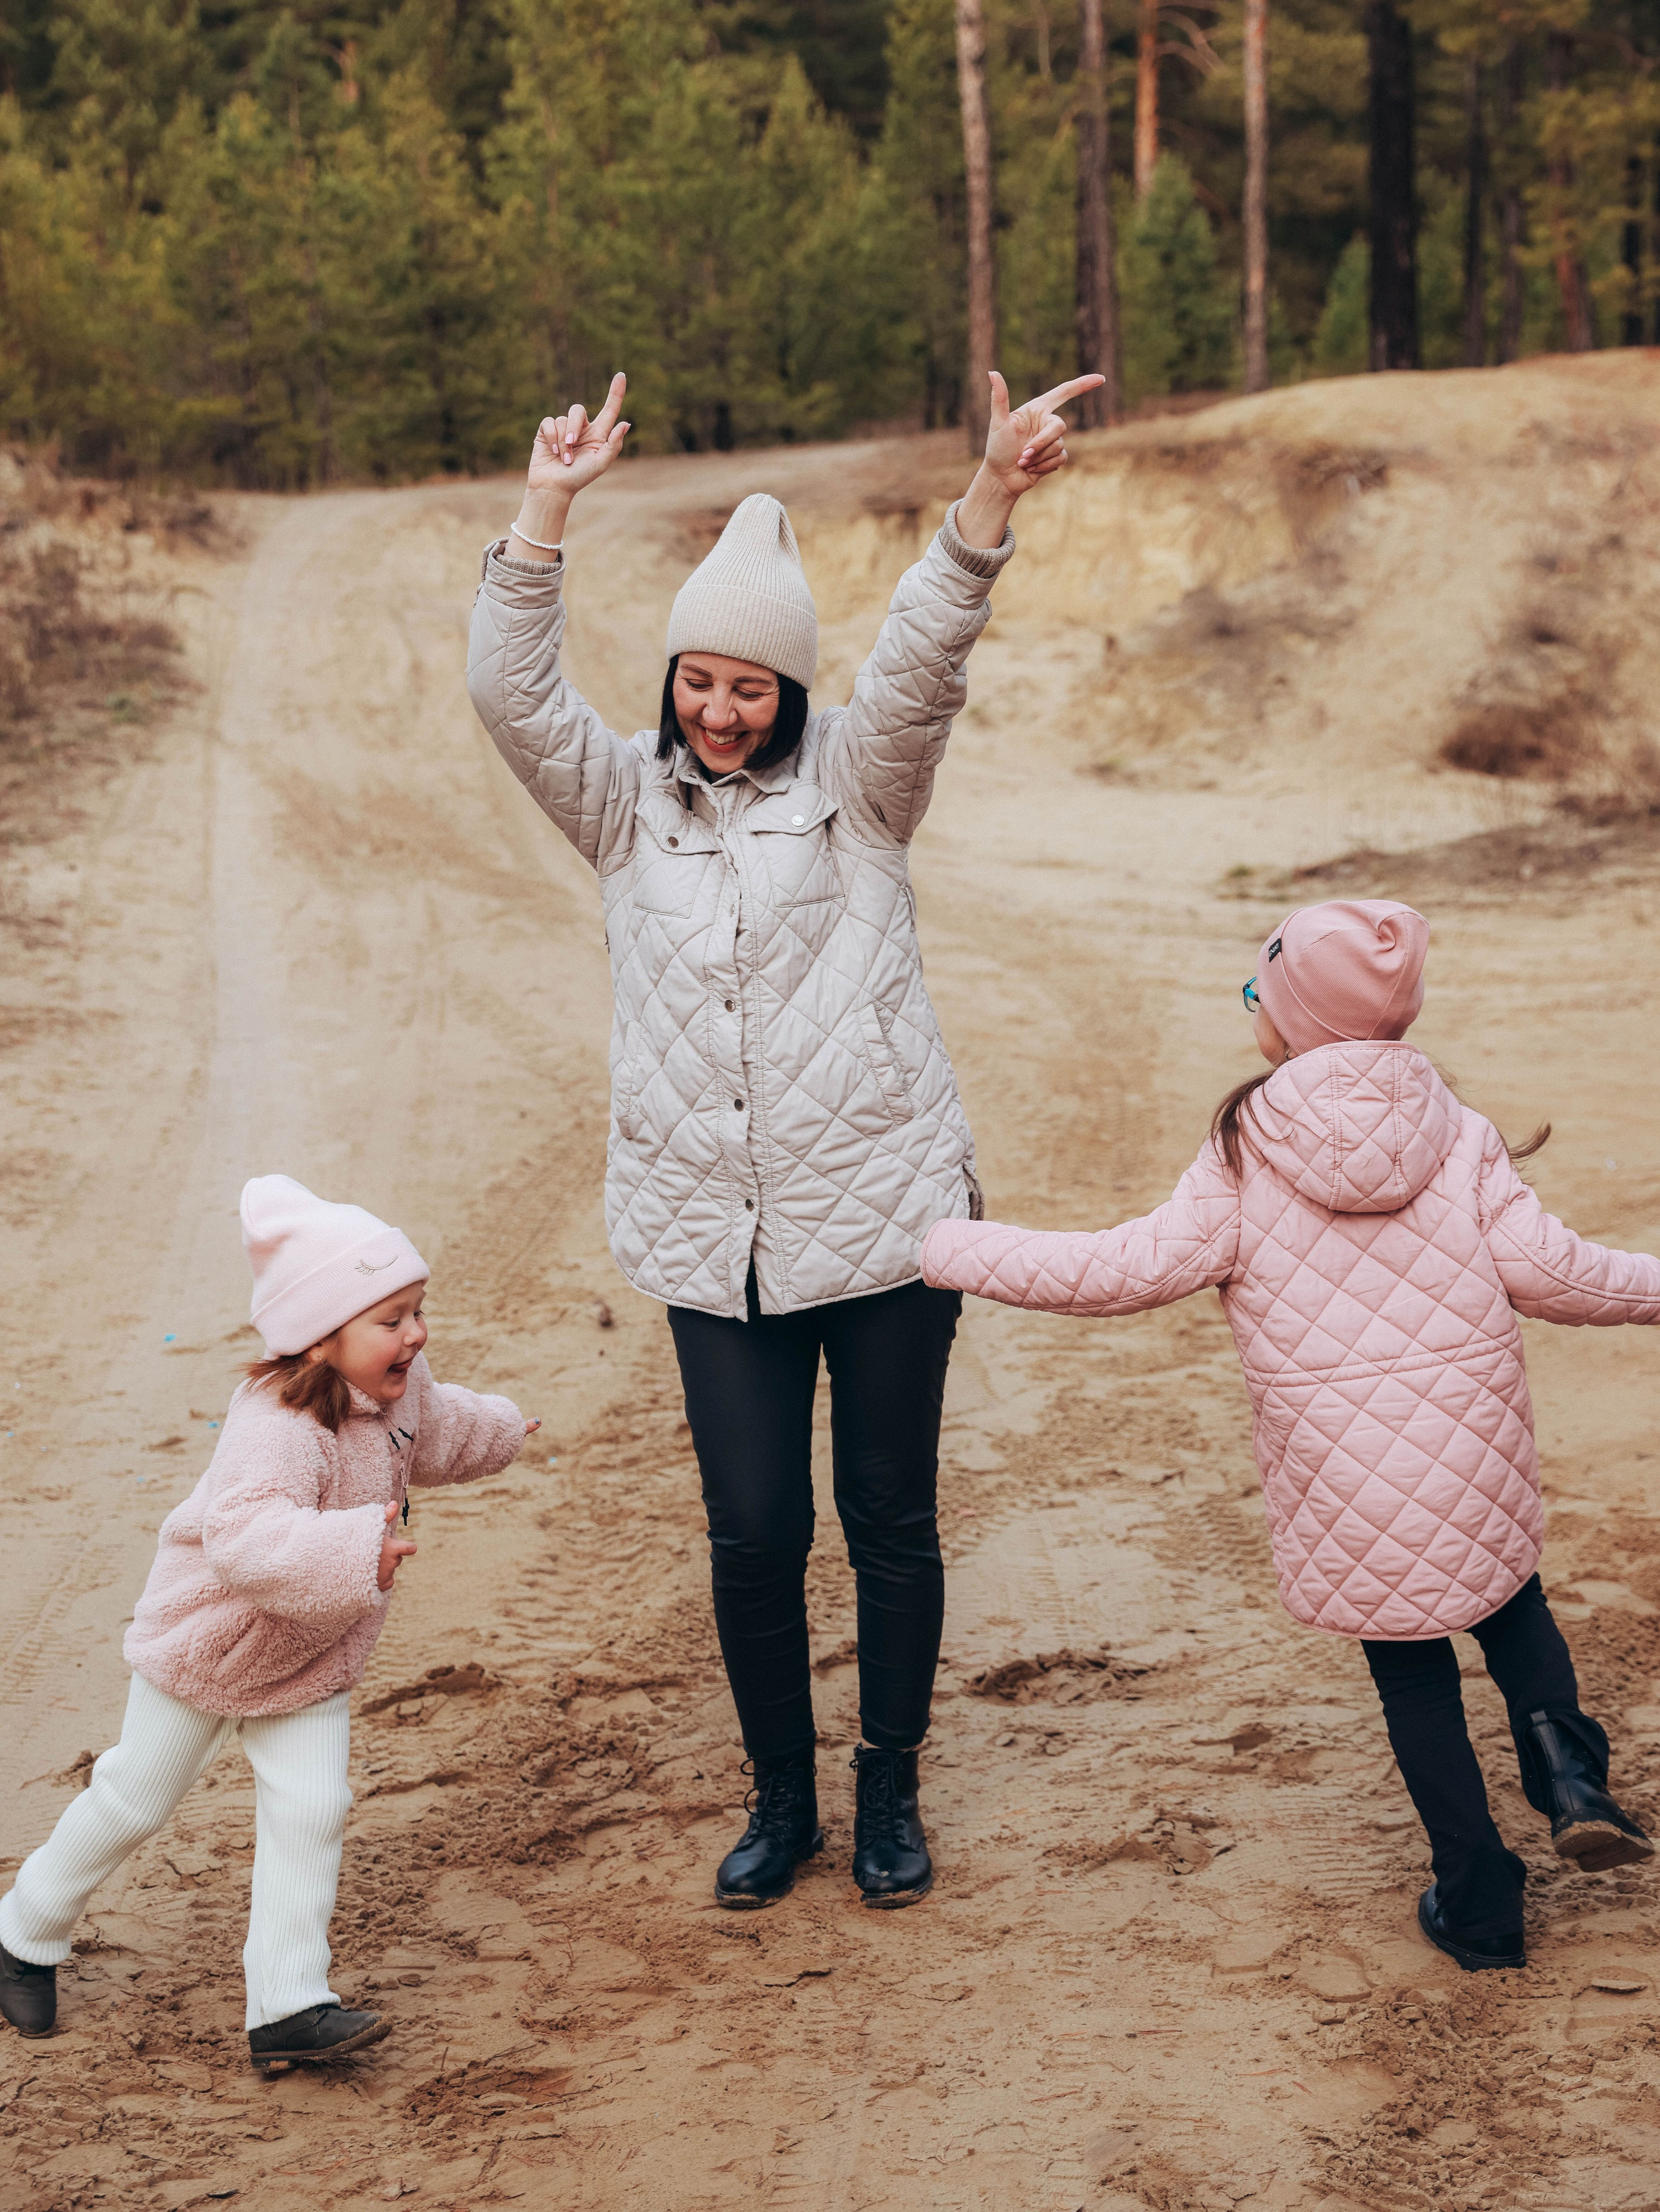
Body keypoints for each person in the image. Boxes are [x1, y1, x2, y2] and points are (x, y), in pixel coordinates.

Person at [468, 365, 1101, 1910]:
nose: (720, 709)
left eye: (751, 687)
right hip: (713, 1236)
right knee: (754, 1532)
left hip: (884, 1217)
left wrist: (987, 504)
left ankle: (889, 1789)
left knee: (888, 1519)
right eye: (699, 680)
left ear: (791, 691)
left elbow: (920, 662)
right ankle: (783, 1798)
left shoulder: (863, 788)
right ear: (673, 675)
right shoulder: (623, 805)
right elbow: (509, 692)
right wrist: (546, 507)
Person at [921, 898, 1657, 1971]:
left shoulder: (1246, 1146)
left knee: (1413, 1678)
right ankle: (1564, 1765)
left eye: (1259, 991)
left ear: (1297, 1018)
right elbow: (1564, 1276)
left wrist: (949, 1247)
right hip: (1470, 1455)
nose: (1252, 1008)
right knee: (1511, 1604)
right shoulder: (1458, 1131)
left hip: (1348, 1478)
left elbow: (1120, 1271)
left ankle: (1481, 1896)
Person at [0, 1176, 533, 2061]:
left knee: (313, 1806)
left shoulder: (400, 1394)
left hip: (305, 1655)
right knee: (135, 1796)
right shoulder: (278, 1423)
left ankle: (287, 2005)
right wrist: (360, 1552)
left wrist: (507, 1428)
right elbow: (244, 1540)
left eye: (418, 1310)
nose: (417, 1334)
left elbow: (436, 1431)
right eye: (392, 1319)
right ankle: (23, 1928)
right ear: (322, 1338)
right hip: (211, 1644)